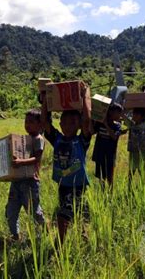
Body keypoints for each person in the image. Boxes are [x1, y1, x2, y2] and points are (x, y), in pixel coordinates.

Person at [40, 82, 92, 244]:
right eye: (66, 123)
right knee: (74, 209)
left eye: (73, 123)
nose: (68, 126)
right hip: (63, 184)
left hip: (79, 184)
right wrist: (46, 102)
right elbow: (45, 122)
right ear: (60, 124)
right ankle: (83, 233)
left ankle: (60, 243)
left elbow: (87, 120)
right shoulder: (57, 138)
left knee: (64, 213)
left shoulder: (82, 140)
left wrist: (84, 97)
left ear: (78, 125)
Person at [5, 109, 46, 241]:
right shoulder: (23, 140)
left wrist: (20, 162)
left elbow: (37, 159)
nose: (27, 124)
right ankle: (15, 236)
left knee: (34, 211)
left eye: (31, 122)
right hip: (16, 181)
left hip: (30, 182)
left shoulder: (38, 139)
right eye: (26, 121)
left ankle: (43, 231)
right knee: (11, 210)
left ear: (40, 125)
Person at [91, 103, 123, 189]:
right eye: (118, 113)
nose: (120, 115)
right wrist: (92, 120)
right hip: (100, 153)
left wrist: (106, 124)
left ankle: (110, 192)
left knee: (109, 175)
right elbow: (92, 132)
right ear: (110, 113)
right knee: (101, 176)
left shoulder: (117, 126)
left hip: (109, 155)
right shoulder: (99, 124)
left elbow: (114, 136)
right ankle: (102, 191)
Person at [125, 96, 145, 185]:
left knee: (143, 169)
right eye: (133, 114)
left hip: (142, 151)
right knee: (131, 170)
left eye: (136, 114)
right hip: (133, 151)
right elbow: (123, 114)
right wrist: (126, 104)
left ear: (142, 116)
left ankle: (144, 185)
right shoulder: (131, 124)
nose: (134, 116)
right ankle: (129, 186)